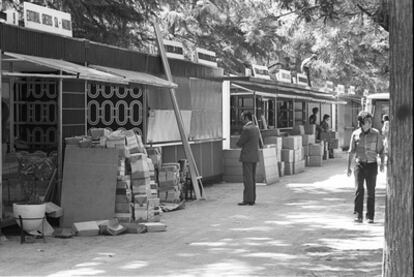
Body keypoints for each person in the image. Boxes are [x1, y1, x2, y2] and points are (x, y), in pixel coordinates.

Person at [347, 111, 384, 223]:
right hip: (359, 165)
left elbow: (381, 150)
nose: (369, 123)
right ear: (361, 123)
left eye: (370, 121)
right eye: (367, 121)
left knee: (371, 191)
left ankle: (370, 216)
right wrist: (348, 167)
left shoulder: (376, 133)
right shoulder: (355, 134)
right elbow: (351, 151)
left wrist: (381, 163)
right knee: (359, 190)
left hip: (372, 165)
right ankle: (358, 215)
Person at [236, 111, 261, 206]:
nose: (241, 119)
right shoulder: (256, 128)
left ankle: (247, 199)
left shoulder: (246, 129)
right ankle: (252, 198)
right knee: (252, 178)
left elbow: (240, 142)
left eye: (242, 117)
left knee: (247, 179)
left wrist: (238, 143)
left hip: (247, 157)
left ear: (246, 118)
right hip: (254, 156)